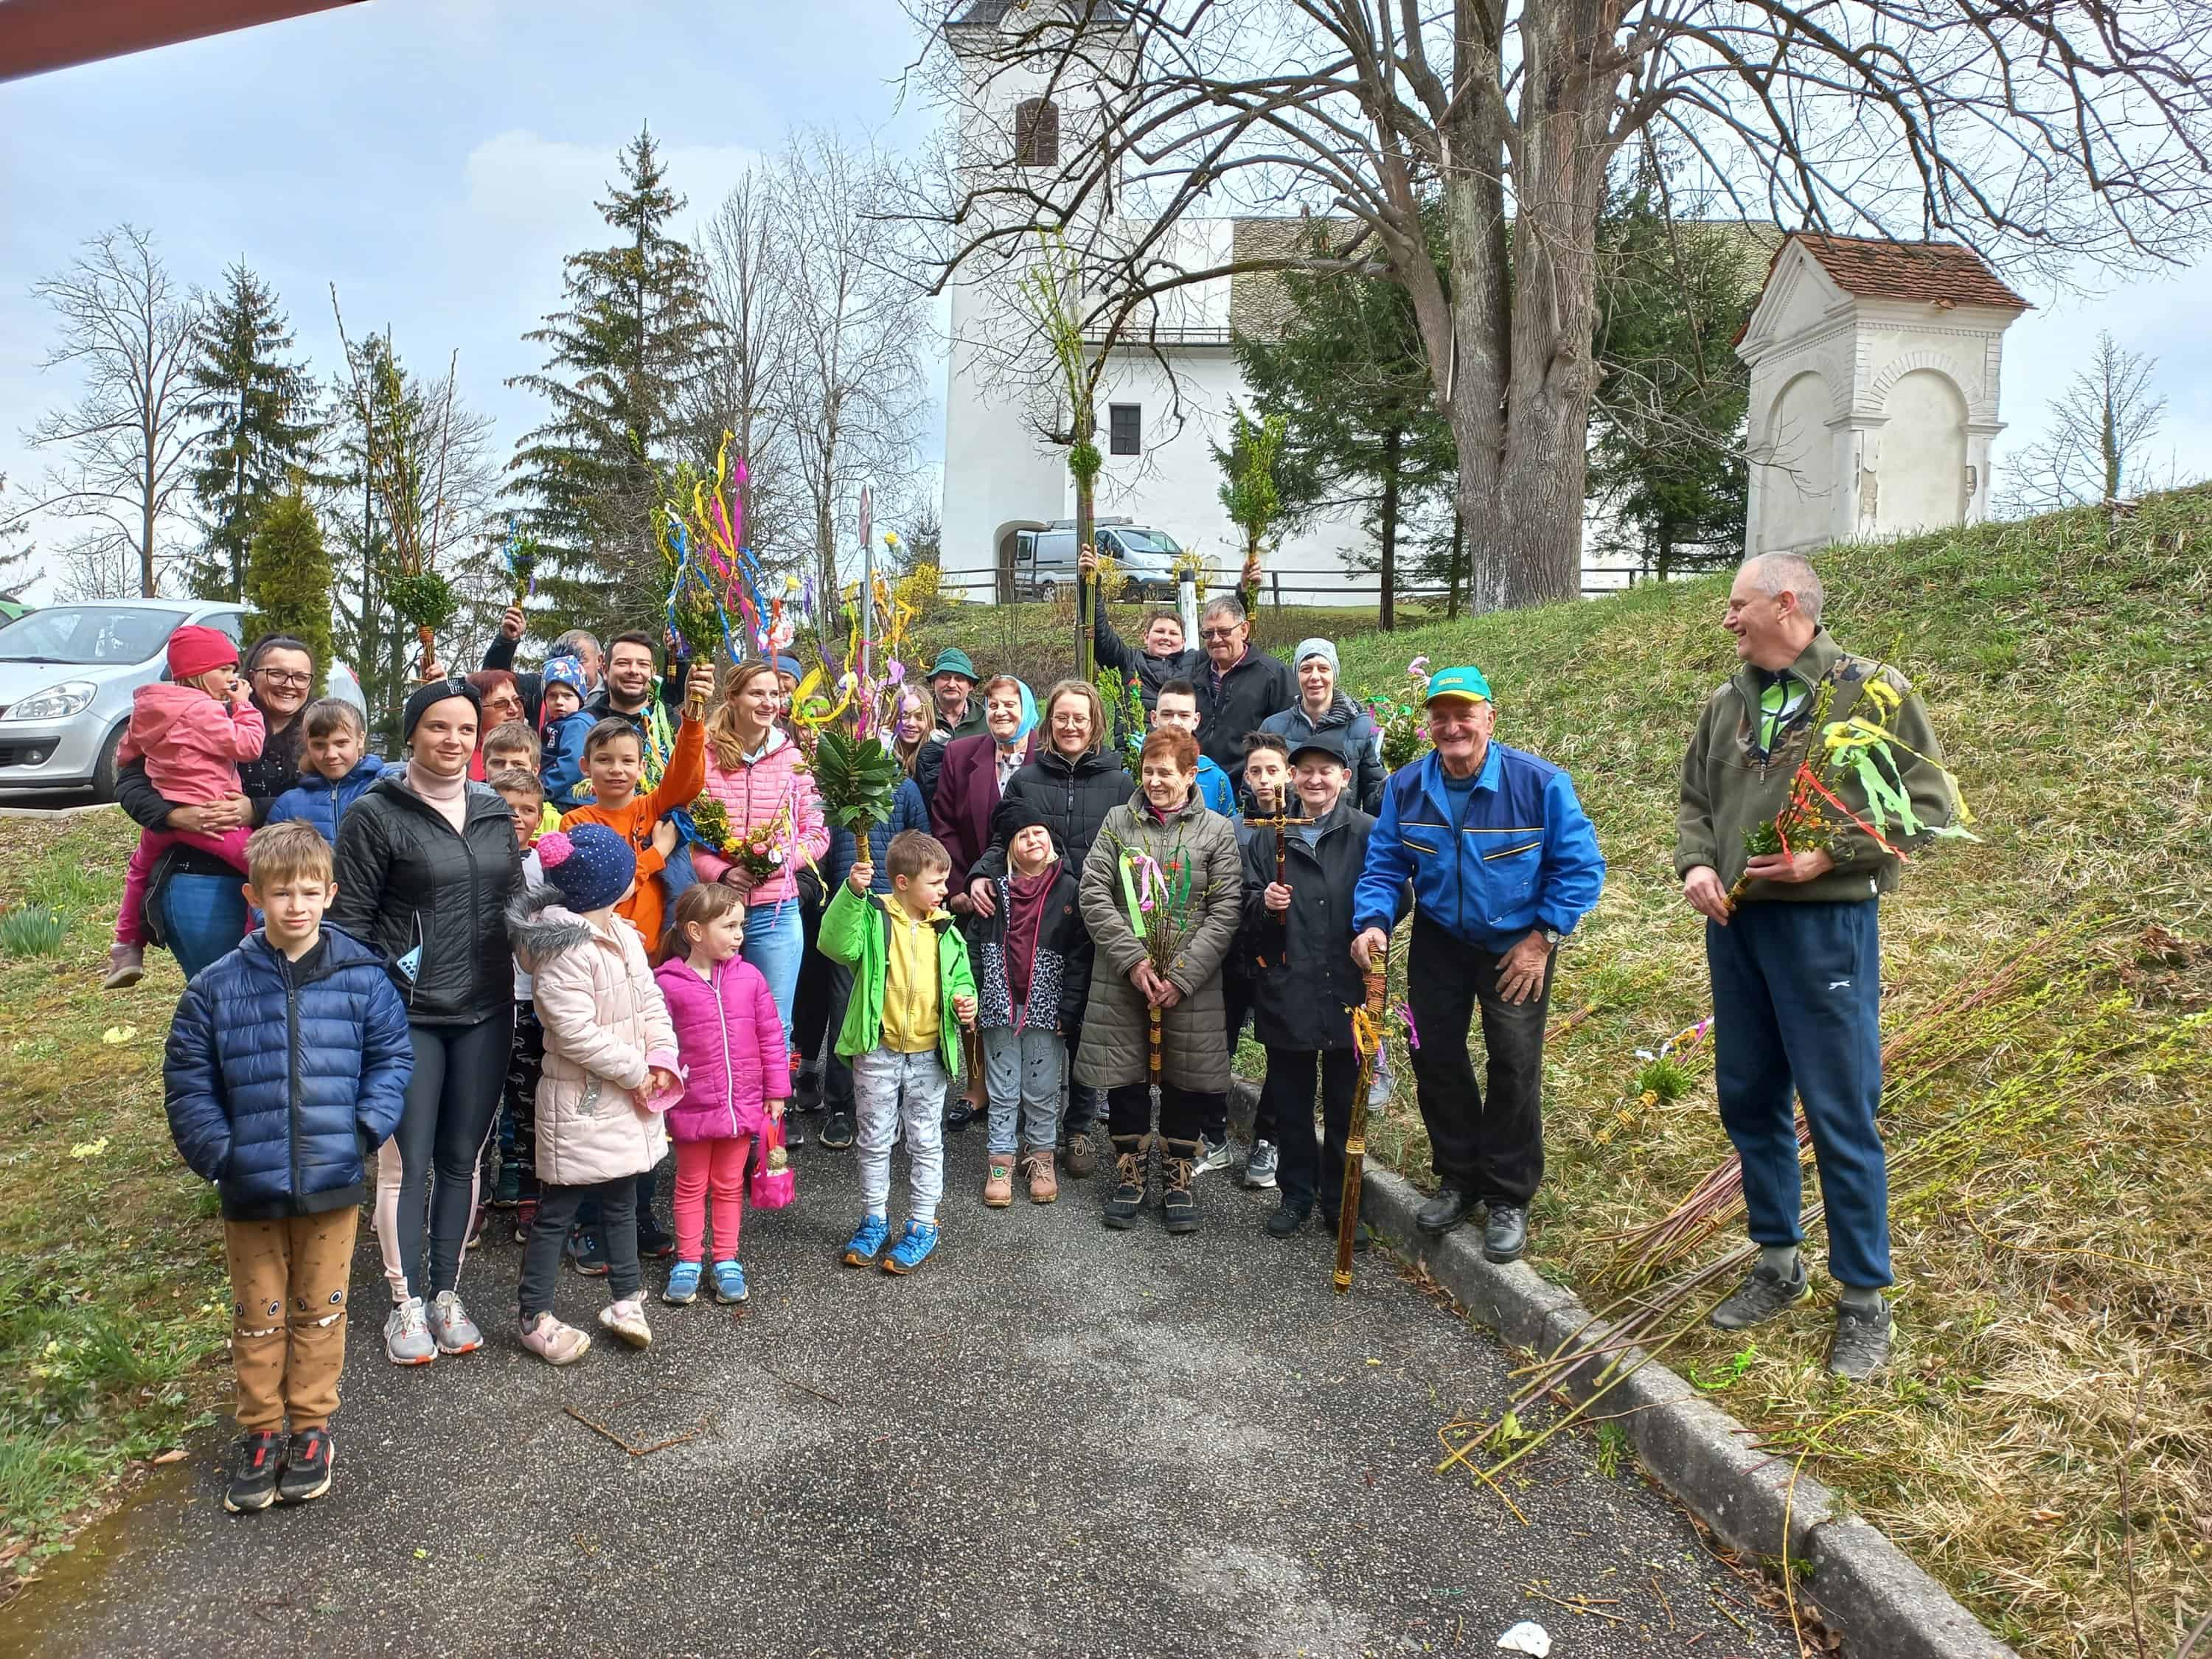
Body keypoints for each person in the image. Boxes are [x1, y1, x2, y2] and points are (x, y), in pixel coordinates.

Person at [1677, 554, 1955, 1381]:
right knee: (1749, 1096)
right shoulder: (1726, 703)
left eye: (1738, 604)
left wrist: (1827, 854)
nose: (1728, 619)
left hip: (1825, 930)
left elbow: (1928, 807)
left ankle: (1865, 1298)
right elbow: (1696, 803)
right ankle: (1777, 1263)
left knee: (1839, 1109)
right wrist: (1697, 864)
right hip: (1736, 929)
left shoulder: (1871, 694)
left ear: (1786, 603)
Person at [162, 821, 412, 1513]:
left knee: (321, 1310)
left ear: (330, 894)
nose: (295, 905)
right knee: (258, 1314)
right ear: (254, 897)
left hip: (331, 1181)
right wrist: (221, 1155)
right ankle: (262, 1430)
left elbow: (392, 1060)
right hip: (251, 1185)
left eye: (308, 891)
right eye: (280, 893)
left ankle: (310, 1428)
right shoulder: (215, 987)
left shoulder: (363, 979)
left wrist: (363, 1130)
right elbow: (188, 1082)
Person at [1351, 664, 1606, 1264]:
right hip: (1441, 939)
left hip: (1517, 944)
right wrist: (1373, 921)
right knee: (1434, 1055)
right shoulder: (1406, 788)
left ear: (1490, 717)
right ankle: (1459, 1177)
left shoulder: (1539, 784)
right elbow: (1385, 864)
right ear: (1428, 725)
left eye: (1464, 714)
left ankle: (1508, 1194)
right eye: (1440, 716)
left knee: (1513, 1063)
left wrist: (1542, 940)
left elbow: (1581, 868)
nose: (1452, 727)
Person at [331, 678, 523, 1366]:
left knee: (462, 1159)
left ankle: (445, 1293)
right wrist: (364, 1011)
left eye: (466, 729)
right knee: (406, 1163)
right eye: (438, 727)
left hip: (487, 1008)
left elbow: (515, 902)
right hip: (406, 1014)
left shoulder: (494, 810)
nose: (453, 741)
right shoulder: (374, 814)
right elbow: (349, 924)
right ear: (411, 732)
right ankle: (404, 1301)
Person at [509, 824, 683, 1364]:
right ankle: (533, 1314)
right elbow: (572, 1032)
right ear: (614, 884)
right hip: (581, 1101)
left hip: (624, 1096)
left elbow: (650, 1001)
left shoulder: (624, 935)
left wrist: (662, 1056)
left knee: (623, 1198)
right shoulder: (563, 951)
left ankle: (626, 1300)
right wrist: (636, 1070)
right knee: (559, 1207)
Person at [960, 679, 1130, 1180]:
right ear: (1048, 721)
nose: (1071, 726)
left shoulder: (1120, 783)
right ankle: (1024, 1135)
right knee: (1042, 1025)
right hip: (1039, 918)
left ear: (1095, 723)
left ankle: (1077, 1126)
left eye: (1081, 717)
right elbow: (1003, 839)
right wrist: (980, 875)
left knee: (1084, 1023)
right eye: (1062, 717)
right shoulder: (1028, 778)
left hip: (1098, 916)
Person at [1077, 725, 1243, 1235]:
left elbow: (1225, 908)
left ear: (1191, 775)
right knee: (1125, 1074)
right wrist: (1134, 960)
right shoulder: (1117, 822)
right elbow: (1094, 894)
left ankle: (1177, 1175)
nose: (1154, 781)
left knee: (1184, 1077)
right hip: (1124, 976)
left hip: (1191, 980)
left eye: (1166, 773)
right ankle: (1131, 1171)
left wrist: (1184, 974)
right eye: (1148, 771)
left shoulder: (1216, 830)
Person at [114, 633, 319, 980]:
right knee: (217, 988)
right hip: (199, 879)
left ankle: (127, 942)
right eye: (276, 674)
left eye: (301, 677)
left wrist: (257, 809)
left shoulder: (320, 731)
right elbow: (131, 781)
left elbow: (334, 797)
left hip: (284, 885)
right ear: (250, 676)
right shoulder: (205, 713)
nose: (289, 684)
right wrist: (173, 815)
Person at [819, 830, 978, 1276]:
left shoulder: (947, 931)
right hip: (878, 1052)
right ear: (903, 883)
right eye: (936, 882)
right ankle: (874, 1219)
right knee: (874, 1139)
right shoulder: (872, 918)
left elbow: (962, 981)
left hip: (929, 1055)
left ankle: (923, 1224)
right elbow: (834, 943)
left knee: (926, 1141)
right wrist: (851, 894)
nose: (945, 890)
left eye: (945, 881)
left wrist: (966, 1002)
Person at [1242, 731, 1376, 1239]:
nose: (1315, 780)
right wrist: (1263, 904)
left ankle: (1341, 1202)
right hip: (1288, 982)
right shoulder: (1268, 836)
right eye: (1306, 771)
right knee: (1291, 1100)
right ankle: (1296, 1192)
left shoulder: (1367, 833)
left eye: (1327, 771)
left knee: (1344, 1102)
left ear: (1345, 777)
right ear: (1292, 778)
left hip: (1347, 985)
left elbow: (1393, 894)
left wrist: (1372, 929)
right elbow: (1241, 904)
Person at [653, 883, 790, 1307]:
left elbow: (771, 1036)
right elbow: (656, 1043)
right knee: (691, 1184)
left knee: (730, 1185)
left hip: (742, 1104)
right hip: (692, 1104)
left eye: (741, 926)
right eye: (729, 926)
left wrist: (776, 1090)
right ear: (695, 931)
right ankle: (688, 1260)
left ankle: (727, 1258)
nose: (739, 935)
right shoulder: (667, 984)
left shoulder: (750, 978)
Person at [105, 625, 262, 989]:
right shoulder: (204, 711)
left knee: (138, 870)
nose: (232, 678)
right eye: (224, 669)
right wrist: (244, 706)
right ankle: (252, 940)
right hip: (212, 817)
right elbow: (248, 746)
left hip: (167, 817)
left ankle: (126, 947)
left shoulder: (149, 708)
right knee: (263, 866)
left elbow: (127, 753)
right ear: (197, 672)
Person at [693, 658, 830, 1047]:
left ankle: (773, 1090)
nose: (769, 702)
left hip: (776, 913)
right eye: (757, 693)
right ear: (733, 697)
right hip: (717, 909)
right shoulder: (704, 756)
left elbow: (817, 833)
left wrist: (780, 862)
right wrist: (722, 873)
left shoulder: (792, 758)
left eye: (774, 694)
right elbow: (687, 836)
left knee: (774, 1023)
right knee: (718, 1020)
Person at [969, 799, 1089, 1207]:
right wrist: (974, 994)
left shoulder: (1070, 890)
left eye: (1038, 832)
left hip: (1047, 1008)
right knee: (1003, 1089)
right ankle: (1000, 1161)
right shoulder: (993, 892)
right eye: (1022, 836)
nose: (1033, 840)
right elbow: (973, 946)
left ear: (1051, 840)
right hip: (999, 1005)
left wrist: (1069, 1009)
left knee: (1042, 1089)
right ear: (1010, 849)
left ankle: (1041, 1157)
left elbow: (1080, 956)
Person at [559, 655, 714, 965]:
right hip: (605, 955)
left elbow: (687, 774)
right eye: (604, 760)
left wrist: (693, 715)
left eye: (627, 761)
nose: (616, 769)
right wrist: (658, 852)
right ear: (585, 767)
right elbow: (606, 890)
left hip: (661, 957)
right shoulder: (576, 823)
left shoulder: (655, 805)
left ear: (642, 767)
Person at [818, 762, 931, 1152]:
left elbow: (921, 845)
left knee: (893, 1008)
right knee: (845, 1008)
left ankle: (891, 1104)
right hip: (849, 906)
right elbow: (823, 845)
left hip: (895, 911)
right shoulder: (835, 785)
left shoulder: (904, 787)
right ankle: (839, 1105)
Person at [484, 767, 550, 1239]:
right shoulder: (474, 859)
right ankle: (472, 1198)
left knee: (527, 1106)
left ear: (540, 817)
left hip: (529, 1001)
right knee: (480, 1109)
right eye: (507, 808)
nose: (517, 817)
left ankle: (529, 1195)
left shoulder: (546, 867)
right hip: (482, 1000)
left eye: (528, 810)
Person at [1079, 545, 1264, 711]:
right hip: (1139, 739)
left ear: (1183, 641)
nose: (1166, 637)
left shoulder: (1197, 663)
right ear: (1145, 636)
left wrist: (1245, 592)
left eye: (1173, 633)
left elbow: (1230, 637)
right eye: (1159, 631)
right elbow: (1101, 635)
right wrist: (1090, 583)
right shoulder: (1128, 661)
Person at [1233, 730, 1294, 1191]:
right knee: (1219, 1042)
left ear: (1288, 774)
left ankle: (1267, 1139)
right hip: (1234, 951)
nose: (1264, 779)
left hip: (1284, 956)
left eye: (1272, 770)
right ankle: (1211, 1131)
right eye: (1256, 771)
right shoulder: (1232, 827)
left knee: (1281, 1051)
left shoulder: (1304, 825)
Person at [933, 674, 1038, 908]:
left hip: (1039, 898)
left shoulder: (1049, 755)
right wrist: (958, 887)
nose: (1000, 712)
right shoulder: (959, 755)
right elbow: (944, 825)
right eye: (993, 705)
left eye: (1010, 704)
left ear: (1027, 709)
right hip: (975, 899)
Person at [1262, 639, 1385, 814]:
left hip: (1343, 827)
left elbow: (1374, 795)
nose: (1314, 676)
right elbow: (1255, 787)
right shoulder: (1272, 728)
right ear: (1297, 676)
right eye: (1306, 669)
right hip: (1287, 827)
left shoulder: (1362, 727)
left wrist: (1393, 784)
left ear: (1335, 674)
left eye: (1323, 668)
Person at [265, 699, 386, 846]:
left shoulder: (384, 789)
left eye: (341, 743)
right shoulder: (287, 806)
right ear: (307, 745)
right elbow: (269, 859)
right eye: (319, 745)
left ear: (360, 740)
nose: (331, 754)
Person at [483, 611, 602, 726]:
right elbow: (495, 679)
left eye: (580, 661)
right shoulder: (538, 688)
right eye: (560, 663)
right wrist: (506, 641)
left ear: (599, 660)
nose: (570, 670)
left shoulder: (611, 696)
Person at [1152, 680, 1239, 818]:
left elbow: (1228, 827)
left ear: (1196, 721)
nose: (1175, 722)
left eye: (1184, 716)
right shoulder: (1135, 770)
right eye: (1167, 715)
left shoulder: (1215, 778)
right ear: (1154, 718)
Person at [914, 647, 987, 812]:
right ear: (933, 682)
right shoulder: (918, 718)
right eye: (945, 678)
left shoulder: (987, 722)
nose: (952, 684)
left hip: (973, 811)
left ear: (971, 685)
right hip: (924, 811)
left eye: (959, 679)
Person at [481, 720, 566, 838]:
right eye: (498, 763)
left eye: (518, 764)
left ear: (535, 771)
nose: (507, 770)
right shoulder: (468, 811)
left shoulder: (553, 821)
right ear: (484, 767)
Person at [536, 655, 595, 810]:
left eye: (567, 696)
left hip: (572, 798)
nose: (559, 702)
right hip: (560, 794)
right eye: (552, 696)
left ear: (580, 699)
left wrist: (545, 789)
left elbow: (572, 763)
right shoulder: (556, 724)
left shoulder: (578, 724)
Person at [466, 671, 525, 779]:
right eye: (501, 704)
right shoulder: (462, 762)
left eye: (517, 701)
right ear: (477, 709)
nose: (515, 710)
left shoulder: (541, 752)